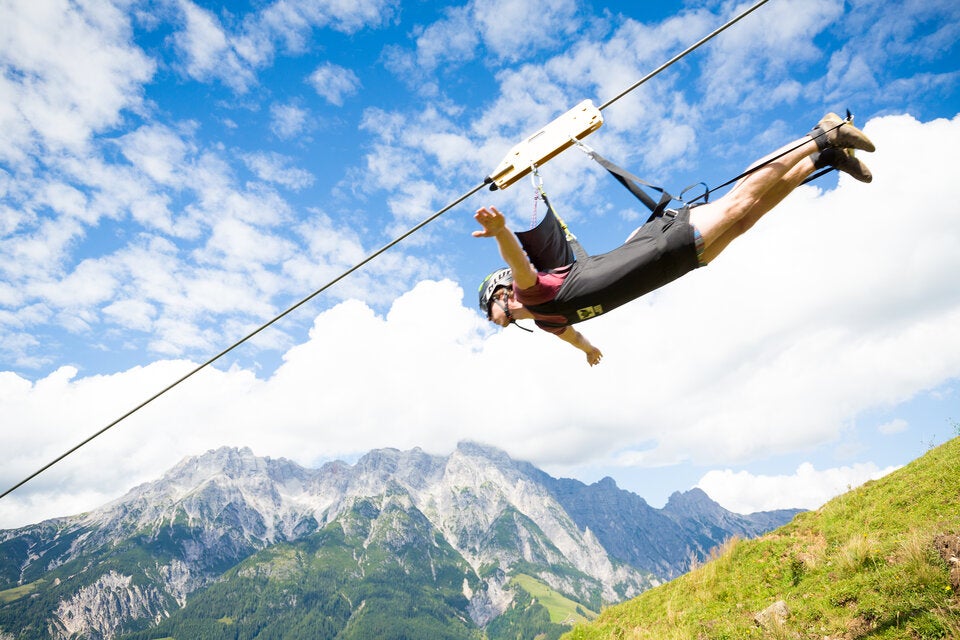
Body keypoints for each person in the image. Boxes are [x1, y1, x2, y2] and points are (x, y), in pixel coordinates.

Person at [474, 112, 875, 366]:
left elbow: (520, 263)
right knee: (744, 220)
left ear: (500, 295)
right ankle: (820, 160)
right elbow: (573, 334)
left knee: (738, 204)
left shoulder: (531, 293)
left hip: (662, 245)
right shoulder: (547, 322)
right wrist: (588, 351)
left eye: (486, 311)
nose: (490, 322)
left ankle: (823, 135)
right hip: (675, 267)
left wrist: (501, 232)